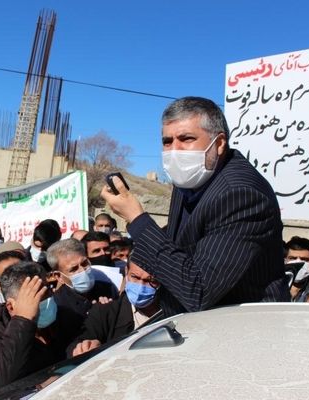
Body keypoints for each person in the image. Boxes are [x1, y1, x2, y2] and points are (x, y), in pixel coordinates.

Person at [102, 96, 288, 314]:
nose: (174, 150)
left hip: (238, 328)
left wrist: (137, 219)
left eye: (186, 138)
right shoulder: (190, 179)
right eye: (167, 141)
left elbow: (199, 290)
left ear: (219, 144)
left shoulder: (241, 194)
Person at [0, 261, 80, 392]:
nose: (48, 301)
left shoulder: (63, 313)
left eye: (48, 292)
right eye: (35, 298)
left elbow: (83, 331)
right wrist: (23, 321)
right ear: (11, 306)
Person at [70, 259, 162, 357]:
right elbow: (77, 345)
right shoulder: (105, 313)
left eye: (150, 281)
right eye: (135, 277)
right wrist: (84, 348)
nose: (140, 286)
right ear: (126, 272)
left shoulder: (175, 308)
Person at [46, 239, 118, 332]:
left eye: (84, 263)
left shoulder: (108, 289)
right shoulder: (56, 306)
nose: (82, 271)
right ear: (59, 277)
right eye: (73, 269)